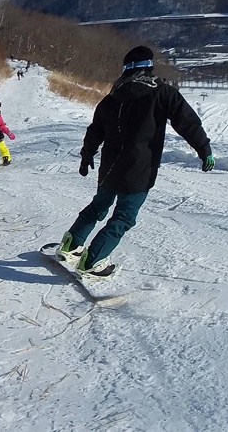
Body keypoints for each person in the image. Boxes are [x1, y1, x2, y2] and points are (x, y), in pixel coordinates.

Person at [59, 46, 214, 276]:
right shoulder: (162, 93)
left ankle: (70, 246)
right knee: (123, 217)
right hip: (139, 168)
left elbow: (95, 131)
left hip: (110, 166)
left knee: (98, 205)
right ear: (149, 67)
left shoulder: (112, 96)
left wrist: (86, 155)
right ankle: (92, 261)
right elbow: (187, 122)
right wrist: (204, 149)